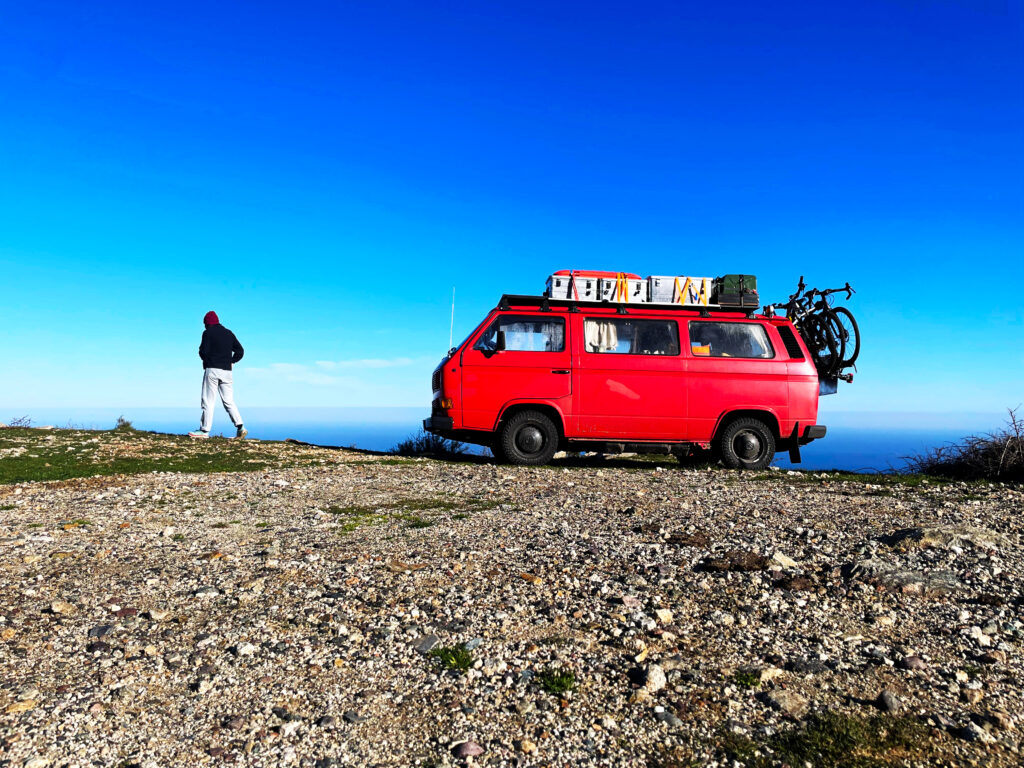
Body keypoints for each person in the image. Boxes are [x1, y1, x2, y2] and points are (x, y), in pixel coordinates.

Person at [188, 311, 247, 439]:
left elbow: (202, 351)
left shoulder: (207, 333)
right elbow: (240, 351)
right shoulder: (228, 333)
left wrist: (207, 361)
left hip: (212, 370)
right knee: (229, 401)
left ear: (207, 323)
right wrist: (231, 361)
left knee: (208, 400)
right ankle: (240, 426)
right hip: (227, 371)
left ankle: (204, 431)